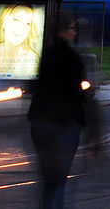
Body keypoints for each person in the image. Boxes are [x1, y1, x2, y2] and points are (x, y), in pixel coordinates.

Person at [28, 15, 87, 209]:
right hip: (64, 124)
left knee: (48, 178)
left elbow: (34, 86)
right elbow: (78, 91)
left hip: (40, 123)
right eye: (72, 28)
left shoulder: (45, 56)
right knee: (59, 179)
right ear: (63, 31)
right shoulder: (72, 59)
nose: (74, 32)